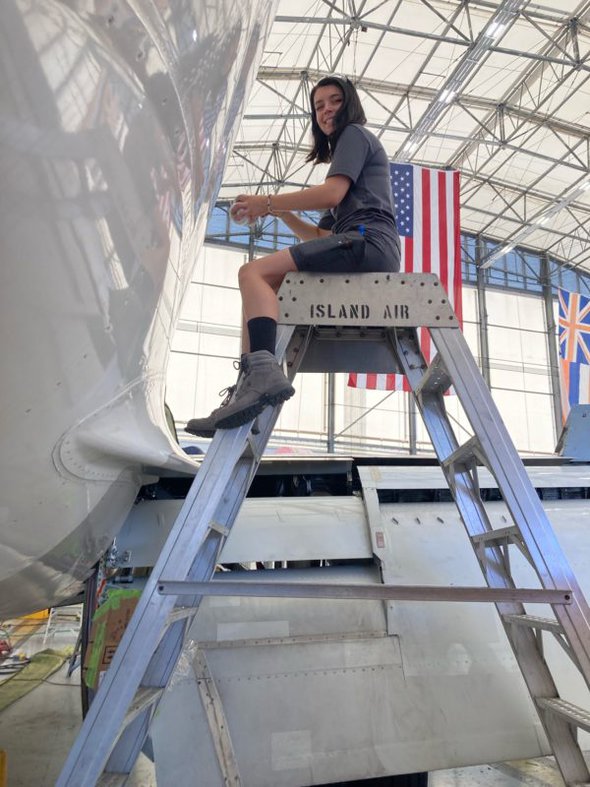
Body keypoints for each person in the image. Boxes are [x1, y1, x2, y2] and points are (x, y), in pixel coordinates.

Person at [186, 75, 401, 437]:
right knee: (260, 286)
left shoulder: (355, 135)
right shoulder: (346, 160)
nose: (326, 110)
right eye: (318, 106)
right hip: (356, 241)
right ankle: (248, 384)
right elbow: (322, 236)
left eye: (334, 101)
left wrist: (267, 202)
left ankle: (263, 373)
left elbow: (331, 194)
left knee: (251, 272)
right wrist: (283, 214)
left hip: (369, 241)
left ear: (349, 104)